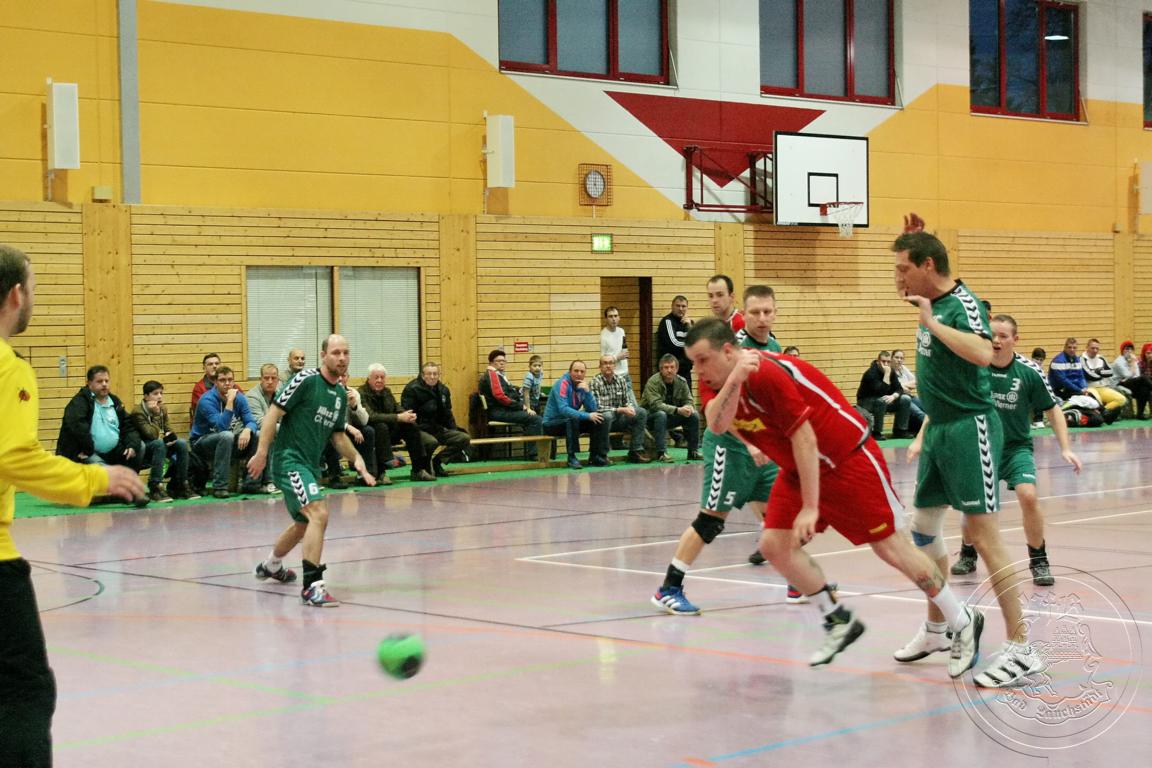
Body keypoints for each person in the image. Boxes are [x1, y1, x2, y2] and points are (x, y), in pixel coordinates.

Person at [677, 319, 980, 672]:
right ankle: (838, 620)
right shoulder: (718, 380)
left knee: (890, 548)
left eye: (702, 360)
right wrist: (734, 379)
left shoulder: (767, 374)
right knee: (774, 545)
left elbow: (804, 437)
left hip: (847, 459)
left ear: (728, 351)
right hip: (799, 468)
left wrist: (810, 506)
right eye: (693, 362)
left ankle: (961, 621)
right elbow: (716, 423)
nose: (697, 370)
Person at [0, 243, 145, 767]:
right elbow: (14, 456)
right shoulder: (9, 368)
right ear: (16, 295)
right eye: (34, 288)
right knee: (25, 693)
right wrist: (94, 479)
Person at [893, 221, 1042, 688]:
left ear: (928, 266)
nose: (897, 278)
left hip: (969, 427)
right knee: (922, 528)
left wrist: (932, 324)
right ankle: (939, 627)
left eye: (903, 268)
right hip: (938, 428)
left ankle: (1022, 647)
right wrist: (920, 237)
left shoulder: (962, 305)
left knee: (982, 534)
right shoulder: (933, 300)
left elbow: (981, 352)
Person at [248, 334, 376, 607]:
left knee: (303, 523)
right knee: (319, 513)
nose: (342, 358)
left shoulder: (339, 395)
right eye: (336, 352)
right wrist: (261, 453)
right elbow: (272, 414)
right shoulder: (305, 380)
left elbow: (338, 436)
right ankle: (312, 587)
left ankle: (271, 565)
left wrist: (356, 458)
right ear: (323, 356)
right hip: (289, 461)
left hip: (309, 466)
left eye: (346, 353)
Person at [190, 365, 264, 498]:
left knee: (257, 434)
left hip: (227, 441)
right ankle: (220, 487)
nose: (227, 383)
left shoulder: (239, 397)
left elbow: (251, 421)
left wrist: (247, 429)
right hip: (202, 444)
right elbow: (221, 427)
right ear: (215, 382)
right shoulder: (206, 400)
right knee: (226, 435)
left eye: (230, 380)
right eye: (223, 380)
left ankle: (251, 484)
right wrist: (229, 402)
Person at [56, 365, 143, 473]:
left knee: (140, 446)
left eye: (106, 381)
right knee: (107, 474)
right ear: (89, 383)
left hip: (114, 452)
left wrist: (132, 445)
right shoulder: (79, 403)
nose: (104, 384)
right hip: (87, 452)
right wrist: (88, 450)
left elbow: (127, 425)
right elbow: (78, 429)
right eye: (99, 381)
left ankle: (129, 481)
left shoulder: (114, 401)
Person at [359, 364, 435, 482]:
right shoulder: (361, 393)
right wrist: (398, 417)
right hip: (373, 433)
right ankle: (381, 473)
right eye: (376, 377)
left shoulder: (387, 392)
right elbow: (371, 417)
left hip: (390, 431)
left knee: (411, 426)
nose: (379, 380)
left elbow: (396, 407)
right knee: (381, 427)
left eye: (382, 377)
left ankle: (418, 470)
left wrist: (407, 415)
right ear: (369, 378)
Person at [402, 362, 471, 476]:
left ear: (439, 375)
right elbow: (408, 414)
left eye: (435, 374)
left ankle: (437, 462)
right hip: (418, 429)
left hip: (437, 428)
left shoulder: (443, 390)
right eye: (429, 374)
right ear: (423, 375)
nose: (432, 377)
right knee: (431, 442)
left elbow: (448, 414)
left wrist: (453, 429)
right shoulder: (412, 389)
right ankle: (422, 468)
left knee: (463, 438)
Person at [131, 380, 197, 501]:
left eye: (161, 393)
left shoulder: (163, 408)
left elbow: (168, 428)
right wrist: (156, 414)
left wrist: (170, 436)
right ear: (146, 396)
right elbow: (151, 434)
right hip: (144, 446)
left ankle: (182, 483)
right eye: (155, 393)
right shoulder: (138, 412)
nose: (160, 396)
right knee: (158, 444)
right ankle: (155, 486)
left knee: (182, 443)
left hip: (161, 442)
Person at [480, 349, 543, 461]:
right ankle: (533, 454)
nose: (502, 363)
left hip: (503, 410)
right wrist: (521, 406)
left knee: (534, 415)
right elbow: (500, 396)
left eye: (503, 361)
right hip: (499, 412)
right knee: (535, 419)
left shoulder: (498, 375)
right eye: (498, 361)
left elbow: (506, 391)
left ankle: (533, 451)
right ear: (491, 362)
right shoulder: (492, 374)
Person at [589, 354, 652, 464]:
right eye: (605, 363)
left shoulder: (621, 380)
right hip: (602, 421)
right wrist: (619, 410)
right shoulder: (595, 382)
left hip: (619, 420)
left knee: (641, 412)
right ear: (600, 367)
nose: (608, 366)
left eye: (611, 363)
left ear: (614, 366)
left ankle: (635, 451)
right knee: (607, 415)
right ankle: (602, 455)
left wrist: (629, 407)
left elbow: (626, 401)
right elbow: (597, 407)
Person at [542, 360, 606, 469]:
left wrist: (588, 393)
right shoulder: (562, 384)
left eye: (582, 371)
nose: (579, 374)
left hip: (571, 422)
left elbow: (593, 410)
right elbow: (564, 409)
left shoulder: (583, 386)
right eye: (576, 371)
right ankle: (572, 458)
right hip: (551, 424)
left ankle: (595, 456)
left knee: (598, 419)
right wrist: (587, 416)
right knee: (572, 419)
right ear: (570, 371)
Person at [640, 354, 701, 462]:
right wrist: (678, 410)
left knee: (694, 415)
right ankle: (661, 453)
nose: (669, 370)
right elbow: (656, 405)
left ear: (677, 369)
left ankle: (693, 451)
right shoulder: (653, 382)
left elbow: (689, 400)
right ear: (661, 369)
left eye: (672, 367)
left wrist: (688, 407)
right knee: (661, 414)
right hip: (649, 418)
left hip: (670, 416)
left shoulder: (682, 382)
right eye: (666, 367)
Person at [855, 351, 915, 440]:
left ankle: (900, 430)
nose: (886, 364)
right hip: (865, 402)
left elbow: (899, 389)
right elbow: (881, 391)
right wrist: (886, 374)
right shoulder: (871, 373)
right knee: (881, 400)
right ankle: (876, 432)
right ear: (878, 361)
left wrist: (893, 396)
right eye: (883, 361)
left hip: (883, 400)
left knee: (905, 399)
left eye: (888, 362)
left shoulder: (891, 371)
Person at [1081, 337, 1127, 419]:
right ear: (1087, 347)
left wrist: (1097, 371)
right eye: (1092, 348)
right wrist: (1101, 372)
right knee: (1098, 403)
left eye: (1097, 348)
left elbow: (1110, 372)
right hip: (1089, 388)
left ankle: (1102, 414)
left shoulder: (1101, 358)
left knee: (1121, 399)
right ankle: (1102, 414)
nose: (1095, 350)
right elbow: (1089, 375)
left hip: (1102, 387)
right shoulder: (1082, 358)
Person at [656, 296, 694, 390]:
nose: (681, 309)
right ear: (672, 306)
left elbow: (696, 340)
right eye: (678, 306)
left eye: (683, 306)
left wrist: (689, 326)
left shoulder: (689, 323)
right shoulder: (667, 321)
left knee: (687, 397)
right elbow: (673, 343)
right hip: (670, 371)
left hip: (685, 369)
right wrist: (689, 345)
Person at [1114, 340, 1151, 418]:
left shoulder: (1133, 359)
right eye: (1127, 349)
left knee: (1144, 388)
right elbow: (1127, 375)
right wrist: (1133, 363)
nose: (1129, 351)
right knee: (1143, 378)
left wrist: (1133, 363)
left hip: (1129, 382)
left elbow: (1136, 375)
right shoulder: (1119, 361)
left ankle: (1140, 414)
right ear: (1122, 350)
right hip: (1119, 383)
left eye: (1131, 349)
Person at [600, 307, 630, 385]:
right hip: (613, 375)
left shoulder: (621, 331)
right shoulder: (602, 336)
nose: (614, 319)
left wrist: (625, 354)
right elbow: (602, 359)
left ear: (619, 318)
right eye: (610, 316)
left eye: (616, 316)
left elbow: (622, 349)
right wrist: (617, 357)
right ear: (606, 319)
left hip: (625, 373)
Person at [190, 352, 220, 418]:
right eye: (210, 364)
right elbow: (206, 411)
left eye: (217, 363)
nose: (214, 366)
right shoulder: (198, 388)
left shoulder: (229, 384)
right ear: (204, 368)